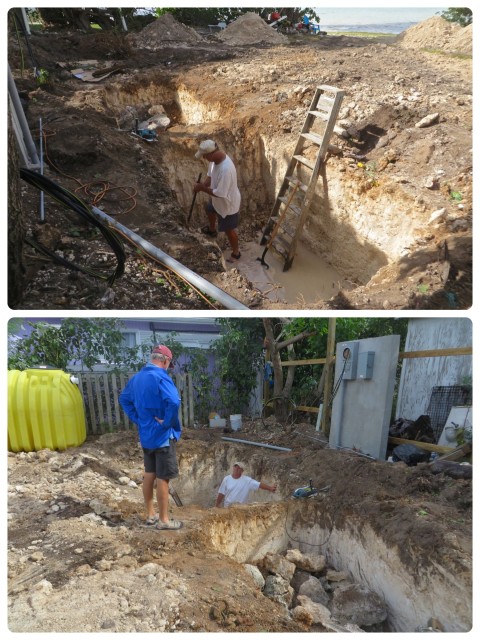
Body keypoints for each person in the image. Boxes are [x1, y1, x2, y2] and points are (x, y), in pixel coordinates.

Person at [119, 344, 183, 530]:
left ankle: (150, 515)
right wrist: (167, 422)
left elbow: (124, 399)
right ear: (165, 361)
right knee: (163, 478)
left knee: (149, 474)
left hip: (146, 435)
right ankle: (164, 520)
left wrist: (138, 419)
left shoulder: (137, 378)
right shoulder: (161, 377)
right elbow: (174, 401)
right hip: (162, 436)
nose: (167, 368)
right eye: (168, 364)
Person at [193, 139, 241, 263]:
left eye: (204, 156)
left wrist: (202, 188)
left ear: (211, 154)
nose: (204, 158)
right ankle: (212, 230)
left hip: (228, 204)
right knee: (209, 208)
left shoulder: (226, 170)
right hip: (217, 201)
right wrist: (203, 185)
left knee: (229, 230)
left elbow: (221, 193)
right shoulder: (214, 161)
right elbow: (210, 176)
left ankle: (236, 253)